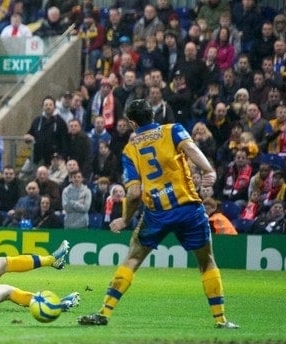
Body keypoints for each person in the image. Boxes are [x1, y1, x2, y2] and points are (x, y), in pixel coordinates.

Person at [77, 99, 239, 329]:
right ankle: (220, 319)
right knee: (206, 261)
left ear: (132, 123)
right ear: (153, 116)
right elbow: (191, 149)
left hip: (157, 212)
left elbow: (133, 193)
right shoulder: (173, 129)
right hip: (188, 208)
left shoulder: (130, 150)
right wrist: (208, 170)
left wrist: (124, 219)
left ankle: (105, 311)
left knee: (132, 258)